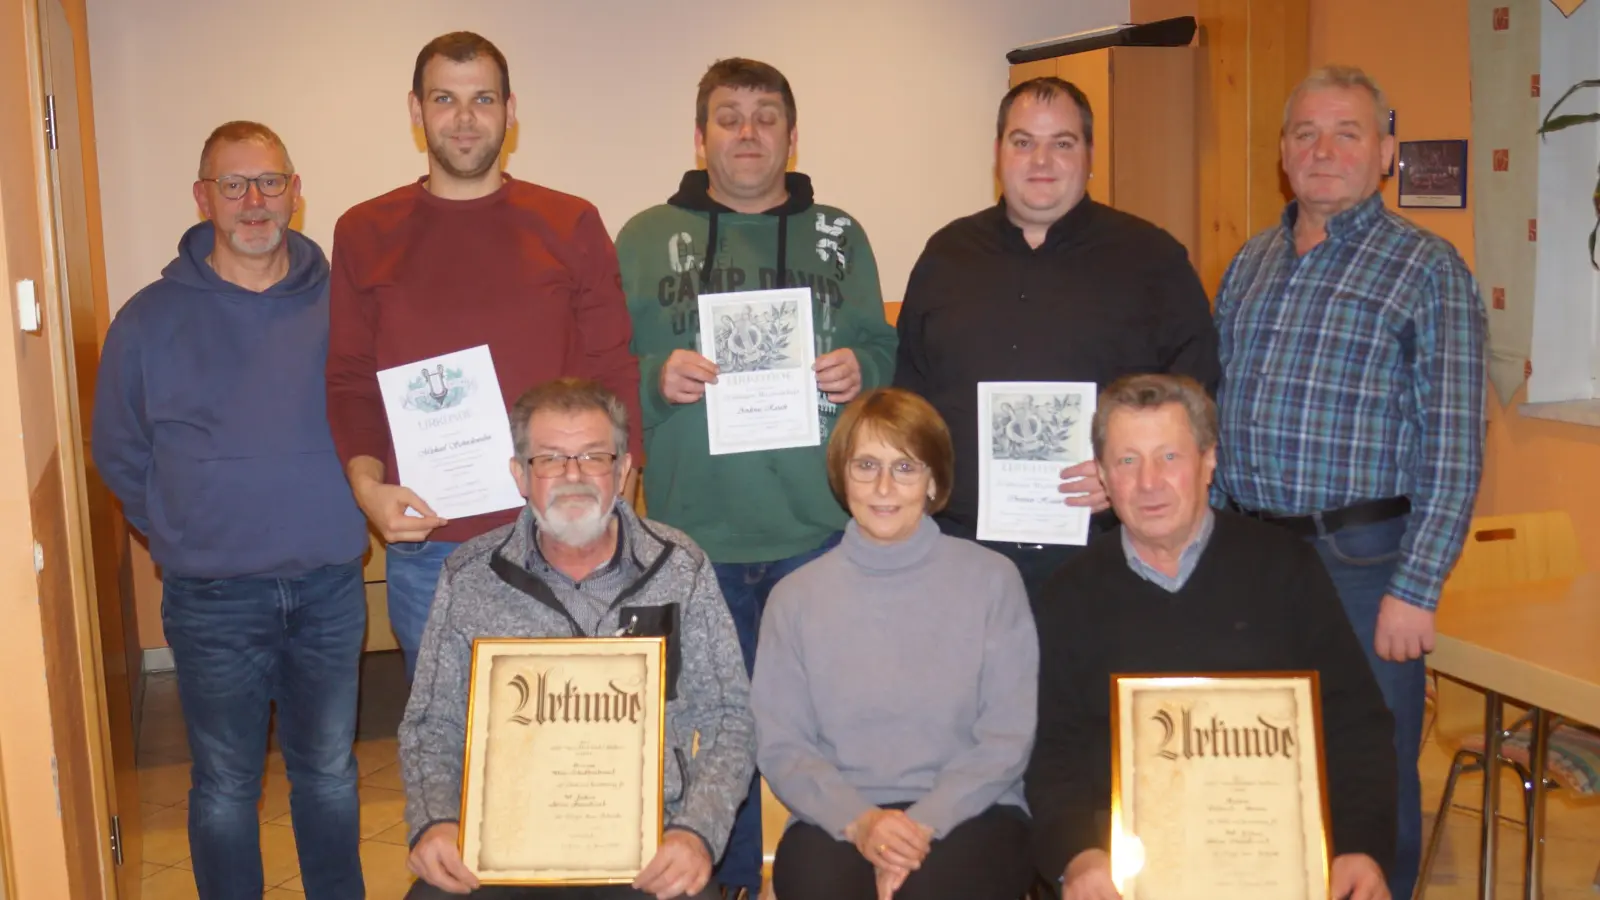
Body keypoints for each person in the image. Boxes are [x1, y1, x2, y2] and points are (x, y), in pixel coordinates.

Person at [615, 56, 898, 896]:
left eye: (766, 116)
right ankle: (725, 881)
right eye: (729, 117)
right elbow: (602, 371)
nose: (747, 132)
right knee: (708, 732)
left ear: (791, 134)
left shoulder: (840, 234)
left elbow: (884, 351)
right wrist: (651, 380)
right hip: (690, 538)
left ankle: (831, 878)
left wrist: (863, 368)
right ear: (699, 136)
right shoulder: (640, 237)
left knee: (830, 726)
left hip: (816, 528)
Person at [1210, 65, 1486, 900]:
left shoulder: (1428, 269)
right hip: (1252, 557)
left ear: (1387, 153)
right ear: (1284, 155)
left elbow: (1455, 445)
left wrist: (1418, 585)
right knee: (1258, 768)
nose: (1323, 150)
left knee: (1368, 778)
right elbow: (1219, 415)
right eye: (1305, 134)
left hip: (1367, 568)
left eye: (1348, 133)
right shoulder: (1248, 265)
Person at [92, 121, 367, 899]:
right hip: (212, 597)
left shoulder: (343, 305)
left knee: (328, 775)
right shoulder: (148, 319)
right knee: (222, 784)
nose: (254, 201)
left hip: (328, 585)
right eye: (233, 184)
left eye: (270, 182)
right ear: (202, 197)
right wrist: (184, 524)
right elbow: (117, 447)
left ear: (295, 191)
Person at [326, 31, 642, 679]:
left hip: (561, 538)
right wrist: (368, 491)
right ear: (416, 112)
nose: (465, 118)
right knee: (452, 761)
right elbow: (351, 381)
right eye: (445, 98)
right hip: (430, 549)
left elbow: (614, 373)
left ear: (510, 110)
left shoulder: (570, 223)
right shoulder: (363, 232)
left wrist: (621, 513)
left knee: (571, 752)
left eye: (483, 99)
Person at [1026, 374, 1397, 900]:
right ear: (1104, 477)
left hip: (1274, 861)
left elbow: (1354, 721)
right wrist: (1077, 856)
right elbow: (1050, 750)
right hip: (1125, 871)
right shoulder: (1069, 594)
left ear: (1208, 461)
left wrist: (1359, 846)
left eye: (1169, 457)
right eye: (1128, 461)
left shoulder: (1285, 567)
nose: (1149, 482)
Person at [399, 377, 753, 900]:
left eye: (593, 457)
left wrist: (696, 832)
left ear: (624, 470)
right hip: (505, 842)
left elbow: (730, 718)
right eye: (550, 459)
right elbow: (432, 724)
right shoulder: (468, 576)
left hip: (648, 843)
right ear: (520, 474)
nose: (573, 476)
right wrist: (435, 820)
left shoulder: (681, 567)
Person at [893, 76, 1219, 601]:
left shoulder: (1153, 259)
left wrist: (1127, 470)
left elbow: (1195, 395)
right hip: (962, 551)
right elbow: (908, 393)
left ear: (1090, 154)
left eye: (1062, 143)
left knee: (1085, 685)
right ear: (999, 152)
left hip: (1104, 552)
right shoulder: (945, 256)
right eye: (1023, 142)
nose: (1040, 160)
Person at [751, 388, 1037, 900]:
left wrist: (921, 826)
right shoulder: (794, 598)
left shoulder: (993, 581)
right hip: (836, 820)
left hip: (974, 812)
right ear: (842, 475)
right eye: (865, 465)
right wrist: (862, 824)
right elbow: (784, 746)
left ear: (933, 481)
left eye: (905, 467)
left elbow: (1006, 738)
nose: (884, 486)